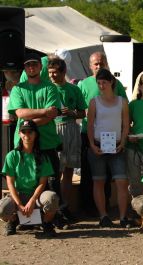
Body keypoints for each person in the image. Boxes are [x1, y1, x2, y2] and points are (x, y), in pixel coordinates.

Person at [7, 52, 62, 205]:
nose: (31, 67)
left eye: (34, 64)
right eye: (28, 65)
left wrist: (27, 124)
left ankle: (52, 218)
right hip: (23, 144)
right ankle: (18, 217)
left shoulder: (50, 88)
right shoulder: (18, 89)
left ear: (40, 66)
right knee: (23, 182)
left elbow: (52, 115)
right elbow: (20, 112)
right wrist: (44, 111)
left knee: (52, 184)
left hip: (47, 142)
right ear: (24, 68)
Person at [78, 51, 127, 215]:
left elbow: (124, 110)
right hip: (90, 135)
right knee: (90, 176)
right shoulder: (83, 84)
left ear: (106, 64)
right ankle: (89, 209)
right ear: (90, 66)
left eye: (101, 63)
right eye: (95, 64)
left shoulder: (117, 84)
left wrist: (123, 139)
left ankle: (109, 209)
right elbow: (81, 111)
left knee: (111, 178)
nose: (98, 66)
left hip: (115, 138)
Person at [0, 120, 59, 237]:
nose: (27, 135)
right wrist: (19, 204)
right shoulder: (12, 156)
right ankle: (13, 221)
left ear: (35, 134)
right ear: (19, 134)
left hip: (36, 197)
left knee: (52, 198)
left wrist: (32, 201)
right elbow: (10, 183)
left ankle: (46, 223)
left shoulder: (43, 157)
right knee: (2, 209)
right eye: (24, 132)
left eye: (30, 132)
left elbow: (42, 183)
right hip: (18, 195)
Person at [87, 68, 130, 227]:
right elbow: (90, 125)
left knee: (121, 181)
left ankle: (123, 217)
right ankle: (103, 215)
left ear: (111, 82)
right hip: (98, 145)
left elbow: (126, 125)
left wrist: (123, 142)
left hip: (117, 145)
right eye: (99, 83)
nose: (101, 86)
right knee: (98, 181)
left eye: (104, 82)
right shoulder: (94, 102)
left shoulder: (122, 102)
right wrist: (92, 144)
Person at [47, 56, 86, 221]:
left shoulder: (73, 89)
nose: (52, 76)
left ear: (63, 72)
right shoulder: (47, 89)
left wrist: (71, 113)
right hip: (53, 129)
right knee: (56, 172)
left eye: (55, 73)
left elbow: (82, 113)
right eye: (50, 73)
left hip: (70, 128)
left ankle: (65, 207)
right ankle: (54, 209)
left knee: (69, 171)